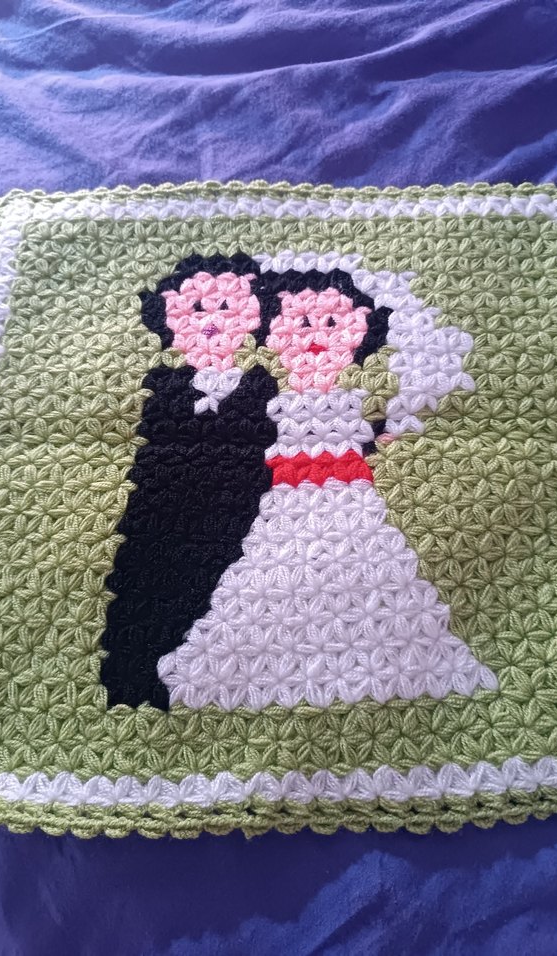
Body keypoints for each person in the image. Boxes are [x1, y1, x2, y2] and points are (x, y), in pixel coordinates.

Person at [158, 259, 498, 710]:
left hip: (351, 499)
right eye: (299, 322)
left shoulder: (354, 397)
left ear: (361, 330)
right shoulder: (264, 395)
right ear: (273, 332)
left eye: (334, 322)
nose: (315, 334)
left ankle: (395, 665)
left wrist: (382, 436)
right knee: (271, 583)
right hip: (285, 502)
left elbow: (378, 426)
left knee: (374, 581)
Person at [100, 253, 278, 709]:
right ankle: (127, 679)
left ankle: (176, 674)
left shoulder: (262, 385)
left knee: (206, 591)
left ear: (251, 319)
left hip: (234, 513)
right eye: (197, 308)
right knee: (141, 584)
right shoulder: (163, 383)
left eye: (226, 307)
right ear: (171, 320)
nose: (211, 320)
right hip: (160, 509)